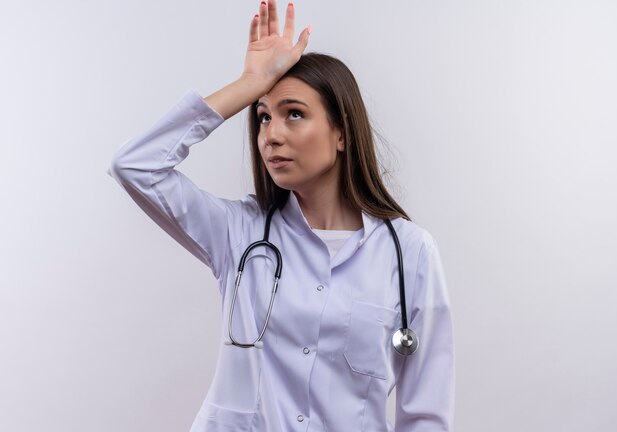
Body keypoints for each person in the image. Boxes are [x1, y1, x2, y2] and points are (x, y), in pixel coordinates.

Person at [108, 1, 454, 431]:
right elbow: (135, 166)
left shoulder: (410, 252)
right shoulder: (239, 233)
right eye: (263, 116)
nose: (271, 135)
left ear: (342, 132)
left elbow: (425, 416)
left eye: (294, 114)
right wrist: (250, 83)